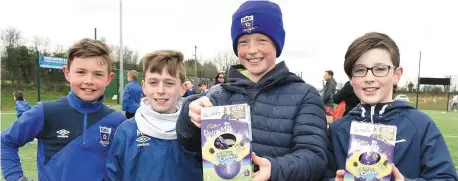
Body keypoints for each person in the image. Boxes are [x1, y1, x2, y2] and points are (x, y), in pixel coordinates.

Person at [176, 1, 334, 181]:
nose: (252, 50)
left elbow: (315, 156)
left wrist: (275, 169)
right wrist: (190, 117)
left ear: (277, 43)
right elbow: (190, 145)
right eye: (243, 42)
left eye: (262, 40)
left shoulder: (305, 95)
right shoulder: (218, 94)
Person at [328, 32, 458, 181]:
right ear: (351, 79)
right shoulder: (337, 130)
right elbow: (322, 175)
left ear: (396, 74)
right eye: (359, 70)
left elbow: (446, 177)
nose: (369, 78)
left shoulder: (420, 124)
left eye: (380, 69)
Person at [1, 38, 126, 181]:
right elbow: (5, 142)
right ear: (67, 73)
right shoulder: (46, 112)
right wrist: (16, 178)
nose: (89, 80)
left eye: (98, 74)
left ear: (108, 79)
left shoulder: (118, 121)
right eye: (81, 72)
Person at [105, 50, 202, 181]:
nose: (160, 90)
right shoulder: (126, 132)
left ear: (183, 88)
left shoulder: (197, 131)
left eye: (169, 83)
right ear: (144, 87)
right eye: (153, 82)